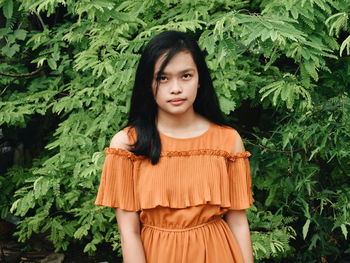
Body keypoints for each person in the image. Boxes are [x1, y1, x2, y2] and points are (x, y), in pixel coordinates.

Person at [95, 30, 254, 263]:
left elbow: (238, 222)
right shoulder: (127, 144)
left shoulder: (228, 140)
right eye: (163, 78)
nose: (176, 88)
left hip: (219, 253)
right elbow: (128, 232)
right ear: (148, 83)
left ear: (200, 80)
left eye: (186, 76)